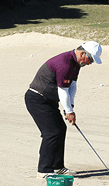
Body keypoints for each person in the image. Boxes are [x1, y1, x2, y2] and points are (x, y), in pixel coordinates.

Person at [25, 41, 102, 178]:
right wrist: (69, 112)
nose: (90, 63)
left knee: (60, 129)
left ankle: (57, 167)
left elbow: (72, 86)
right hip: (37, 99)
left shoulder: (76, 64)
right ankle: (44, 171)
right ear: (82, 53)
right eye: (90, 59)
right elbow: (62, 90)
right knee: (52, 132)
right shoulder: (65, 63)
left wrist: (70, 107)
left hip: (49, 100)